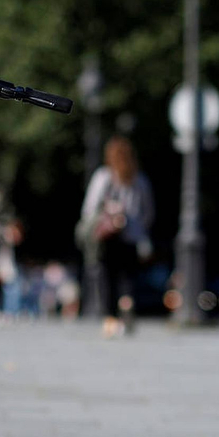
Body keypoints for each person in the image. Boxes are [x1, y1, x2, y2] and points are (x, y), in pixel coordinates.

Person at [76, 135, 154, 338]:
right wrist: (138, 229)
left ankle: (110, 320)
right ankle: (127, 305)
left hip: (107, 238)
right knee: (127, 278)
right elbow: (148, 212)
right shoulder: (140, 179)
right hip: (131, 238)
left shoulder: (104, 176)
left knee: (106, 278)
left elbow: (90, 208)